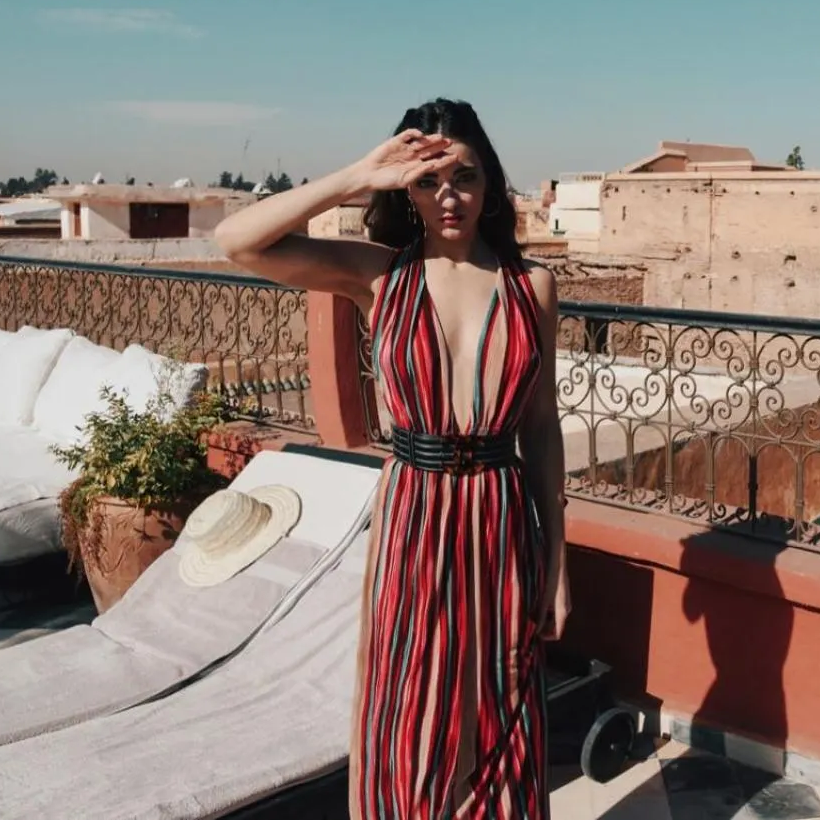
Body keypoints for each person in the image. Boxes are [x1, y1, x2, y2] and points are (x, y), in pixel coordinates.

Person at [214, 99, 568, 819]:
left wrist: (559, 565)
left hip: (502, 520)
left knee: (502, 712)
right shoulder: (378, 275)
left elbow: (542, 423)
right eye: (428, 180)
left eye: (465, 176)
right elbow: (237, 241)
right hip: (415, 515)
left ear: (491, 184)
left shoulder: (533, 286)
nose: (449, 196)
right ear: (404, 190)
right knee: (414, 711)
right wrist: (358, 174)